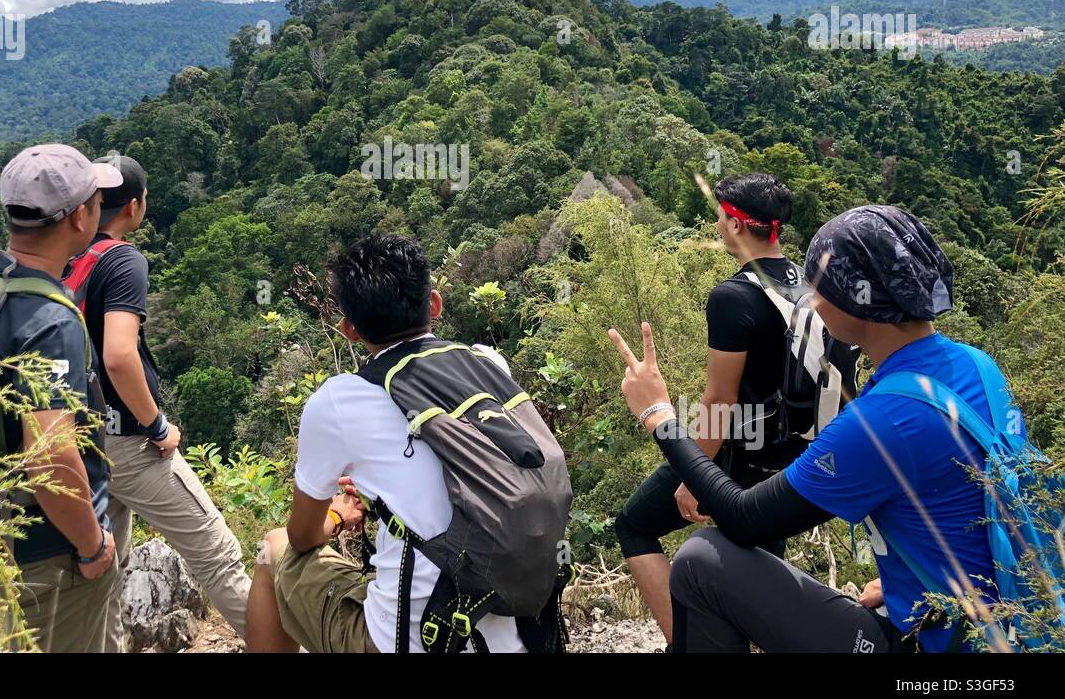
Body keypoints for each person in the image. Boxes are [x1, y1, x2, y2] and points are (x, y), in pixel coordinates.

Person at [609, 205, 1005, 653]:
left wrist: (658, 415)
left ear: (855, 302)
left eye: (820, 289)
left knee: (700, 560)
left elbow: (743, 518)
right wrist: (905, 580)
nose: (811, 302)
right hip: (1002, 621)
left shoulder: (881, 420)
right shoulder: (978, 367)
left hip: (926, 644)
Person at [245, 234, 531, 653]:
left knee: (274, 549)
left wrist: (340, 517)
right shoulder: (490, 365)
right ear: (434, 304)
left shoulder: (338, 400)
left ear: (349, 331)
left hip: (415, 641)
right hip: (521, 630)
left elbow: (304, 536)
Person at [614, 173, 816, 646]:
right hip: (787, 467)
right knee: (756, 581)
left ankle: (686, 643)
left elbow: (718, 401)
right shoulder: (811, 288)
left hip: (733, 462)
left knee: (635, 524)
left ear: (739, 226)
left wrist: (693, 476)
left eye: (722, 218)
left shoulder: (733, 297)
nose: (719, 226)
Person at [64, 154, 250, 648]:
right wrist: (157, 426)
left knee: (107, 574)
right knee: (217, 554)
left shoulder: (63, 260)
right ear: (136, 206)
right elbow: (120, 356)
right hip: (127, 444)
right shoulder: (122, 260)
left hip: (78, 441)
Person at [0, 143, 123, 652]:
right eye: (95, 199)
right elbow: (48, 457)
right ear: (78, 217)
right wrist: (91, 546)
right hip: (47, 555)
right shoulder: (49, 319)